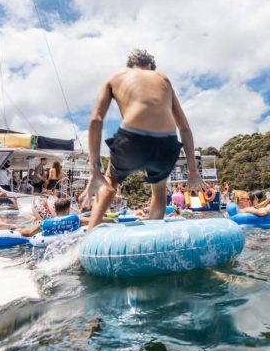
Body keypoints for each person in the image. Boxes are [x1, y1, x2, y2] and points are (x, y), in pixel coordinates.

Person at [80, 49, 206, 230]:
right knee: (159, 189)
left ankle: (90, 235)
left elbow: (95, 120)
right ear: (149, 66)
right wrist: (193, 171)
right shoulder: (163, 79)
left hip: (133, 139)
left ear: (131, 66)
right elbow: (184, 127)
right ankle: (154, 234)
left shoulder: (115, 77)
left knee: (110, 180)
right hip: (167, 142)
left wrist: (94, 172)